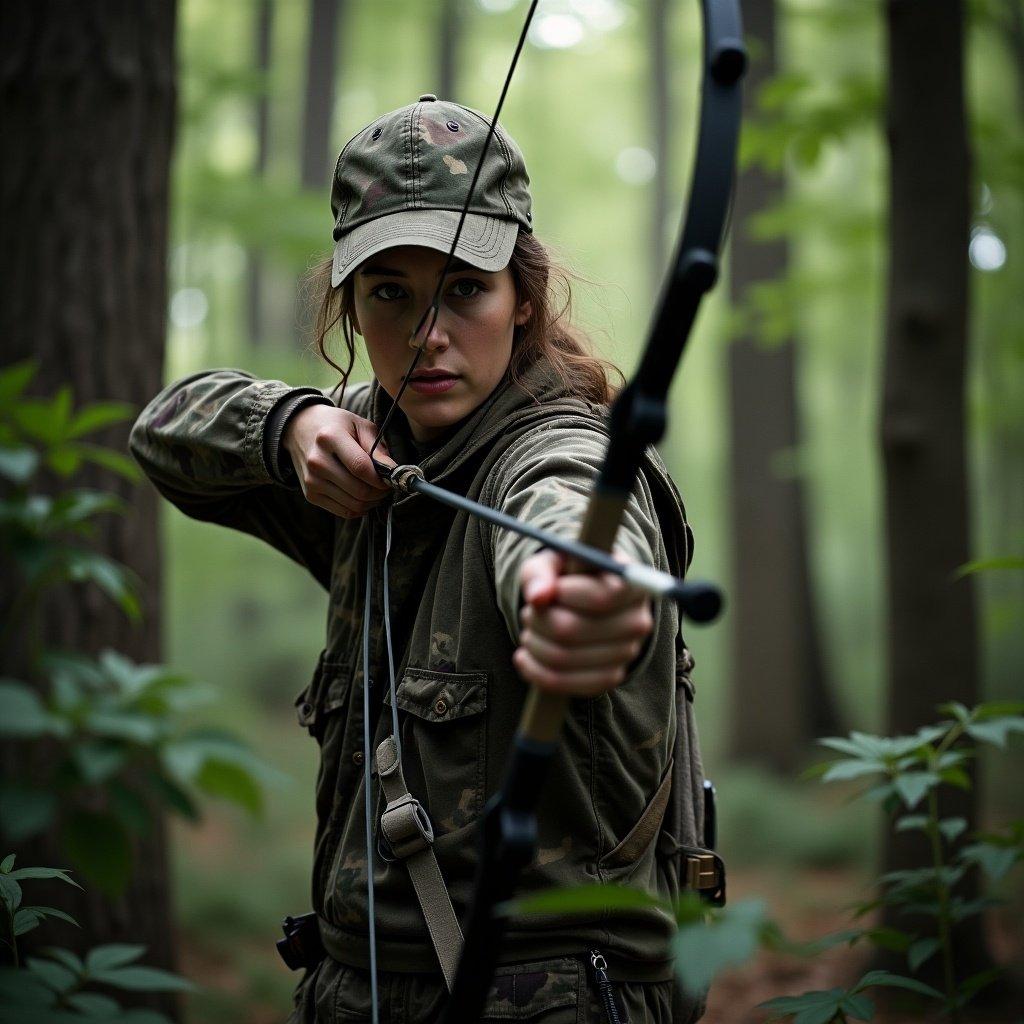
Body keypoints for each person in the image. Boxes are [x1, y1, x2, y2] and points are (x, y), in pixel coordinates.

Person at [130, 95, 713, 1024]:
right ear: (352, 309)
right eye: (389, 293)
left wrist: (572, 595)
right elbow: (161, 431)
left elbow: (563, 515)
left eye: (464, 288)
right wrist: (289, 425)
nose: (427, 331)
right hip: (354, 983)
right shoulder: (364, 458)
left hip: (546, 999)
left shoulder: (557, 451)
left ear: (524, 297)